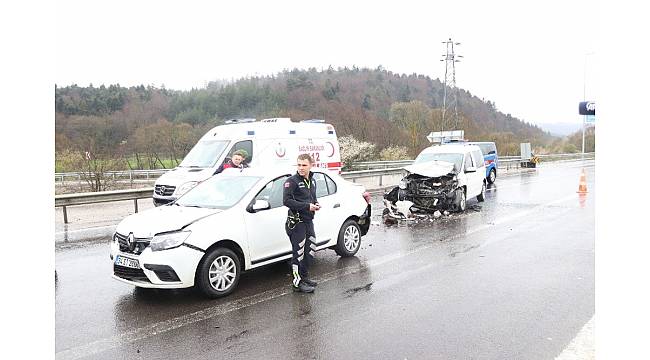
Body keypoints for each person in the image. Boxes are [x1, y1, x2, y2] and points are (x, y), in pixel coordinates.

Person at [283, 154, 321, 293]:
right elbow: (286, 201)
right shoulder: (291, 181)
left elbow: (312, 198)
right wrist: (307, 206)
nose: (301, 168)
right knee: (298, 253)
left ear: (311, 165)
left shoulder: (313, 180)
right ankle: (297, 283)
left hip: (308, 220)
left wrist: (315, 204)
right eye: (299, 165)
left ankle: (304, 277)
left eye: (304, 165)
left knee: (310, 251)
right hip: (296, 222)